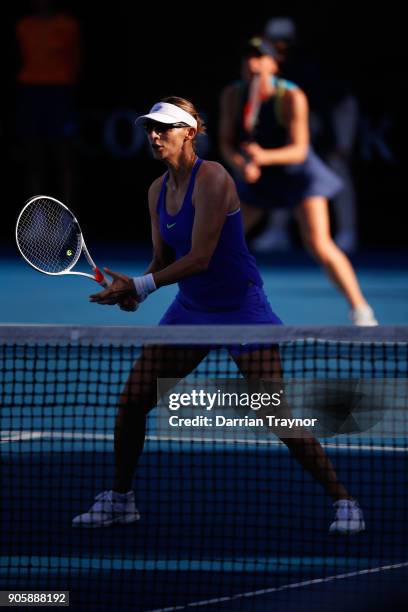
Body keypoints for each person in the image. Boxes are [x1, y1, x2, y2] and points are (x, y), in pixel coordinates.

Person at [72, 96, 365, 534]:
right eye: (150, 127)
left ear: (189, 132)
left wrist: (144, 285)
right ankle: (120, 499)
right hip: (190, 308)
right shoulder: (156, 190)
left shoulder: (214, 179)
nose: (154, 135)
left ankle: (344, 500)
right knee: (132, 402)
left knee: (275, 416)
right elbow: (163, 260)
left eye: (165, 128)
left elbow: (201, 258)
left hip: (241, 309)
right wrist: (135, 292)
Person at [219, 38, 377, 326]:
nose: (251, 63)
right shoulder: (232, 94)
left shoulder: (292, 97)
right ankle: (217, 306)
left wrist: (262, 157)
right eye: (247, 57)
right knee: (220, 238)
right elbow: (227, 143)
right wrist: (241, 164)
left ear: (273, 64)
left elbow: (299, 149)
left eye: (259, 57)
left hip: (299, 177)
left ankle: (361, 309)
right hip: (262, 177)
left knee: (318, 243)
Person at [254, 17, 359, 254]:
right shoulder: (265, 66)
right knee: (287, 170)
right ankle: (278, 231)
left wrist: (343, 141)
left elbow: (340, 102)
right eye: (275, 39)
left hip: (330, 120)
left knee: (337, 166)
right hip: (304, 124)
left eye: (285, 40)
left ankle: (347, 232)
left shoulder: (307, 66)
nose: (280, 45)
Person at [15, 0, 81, 202]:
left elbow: (76, 60)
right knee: (34, 157)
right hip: (31, 93)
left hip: (59, 93)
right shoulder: (24, 26)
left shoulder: (68, 25)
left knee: (63, 156)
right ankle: (36, 213)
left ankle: (67, 214)